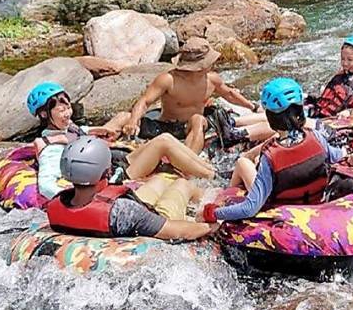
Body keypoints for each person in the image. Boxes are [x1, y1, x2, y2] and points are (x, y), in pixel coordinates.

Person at [26, 82, 215, 203]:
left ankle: (206, 169)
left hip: (116, 162)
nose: (67, 113)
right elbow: (46, 184)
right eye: (61, 111)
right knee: (163, 141)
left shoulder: (67, 127)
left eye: (67, 107)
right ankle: (213, 177)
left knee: (155, 140)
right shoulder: (49, 144)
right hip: (114, 176)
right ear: (44, 114)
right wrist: (78, 198)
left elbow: (76, 133)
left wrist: (96, 131)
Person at [196, 77, 350, 224]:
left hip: (282, 211)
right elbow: (338, 156)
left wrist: (214, 213)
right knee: (254, 161)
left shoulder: (271, 157)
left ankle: (227, 193)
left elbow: (250, 208)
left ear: (270, 118)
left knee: (243, 162)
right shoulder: (317, 137)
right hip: (315, 201)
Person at [215, 35, 353, 147]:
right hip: (319, 112)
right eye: (343, 59)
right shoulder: (342, 75)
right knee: (282, 108)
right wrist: (309, 97)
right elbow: (327, 98)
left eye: (350, 60)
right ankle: (233, 123)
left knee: (285, 121)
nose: (345, 63)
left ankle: (239, 135)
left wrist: (351, 113)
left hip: (331, 122)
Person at [47, 136, 218, 241]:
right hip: (151, 219)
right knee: (182, 183)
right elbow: (177, 231)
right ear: (106, 171)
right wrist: (211, 227)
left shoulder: (55, 205)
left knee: (161, 179)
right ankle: (215, 196)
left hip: (121, 211)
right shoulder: (123, 211)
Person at [121, 37, 260, 154]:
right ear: (200, 66)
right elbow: (145, 101)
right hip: (166, 126)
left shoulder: (212, 79)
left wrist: (252, 106)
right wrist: (133, 120)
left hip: (191, 128)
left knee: (198, 119)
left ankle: (189, 160)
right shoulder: (168, 79)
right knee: (123, 117)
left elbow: (230, 94)